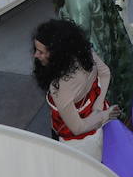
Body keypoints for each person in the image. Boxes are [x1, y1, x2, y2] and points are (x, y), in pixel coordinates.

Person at [31, 18, 121, 160]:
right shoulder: (84, 53)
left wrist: (103, 116)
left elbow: (77, 128)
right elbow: (105, 73)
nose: (36, 55)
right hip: (98, 115)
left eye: (41, 52)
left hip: (79, 142)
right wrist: (98, 105)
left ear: (57, 54)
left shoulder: (59, 87)